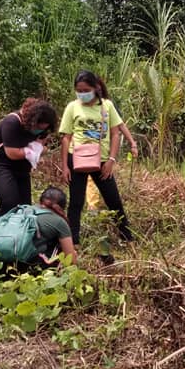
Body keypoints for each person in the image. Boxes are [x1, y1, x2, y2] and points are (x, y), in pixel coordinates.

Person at [59, 70, 134, 246]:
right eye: (79, 90)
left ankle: (127, 237)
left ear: (95, 87)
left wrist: (111, 160)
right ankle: (73, 244)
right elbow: (66, 137)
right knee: (76, 203)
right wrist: (65, 166)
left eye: (86, 90)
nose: (82, 94)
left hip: (102, 161)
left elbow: (116, 134)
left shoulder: (106, 106)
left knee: (113, 200)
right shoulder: (72, 107)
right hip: (76, 159)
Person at [0, 97, 58, 222]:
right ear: (32, 121)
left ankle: (17, 236)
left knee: (25, 207)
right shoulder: (11, 123)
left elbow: (44, 145)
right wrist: (35, 150)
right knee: (10, 202)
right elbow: (12, 153)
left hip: (22, 169)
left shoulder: (43, 128)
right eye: (38, 127)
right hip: (1, 166)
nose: (40, 130)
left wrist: (38, 149)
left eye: (43, 128)